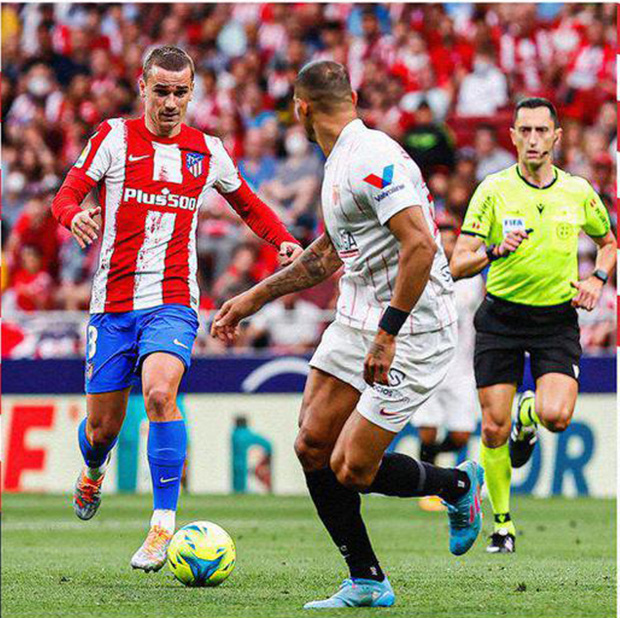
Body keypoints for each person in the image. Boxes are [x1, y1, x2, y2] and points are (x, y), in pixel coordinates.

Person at [212, 60, 484, 609]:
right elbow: (325, 258)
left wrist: (388, 333)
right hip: (358, 316)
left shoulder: (373, 159)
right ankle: (367, 579)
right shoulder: (340, 162)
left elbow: (422, 247)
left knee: (352, 467)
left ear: (301, 109)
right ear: (352, 97)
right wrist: (250, 299)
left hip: (413, 327)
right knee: (311, 444)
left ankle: (458, 486)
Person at [51, 46, 302, 572]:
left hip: (172, 299)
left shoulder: (206, 150)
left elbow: (248, 203)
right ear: (143, 87)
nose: (170, 102)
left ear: (192, 92)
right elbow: (66, 193)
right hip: (112, 306)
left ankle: (163, 525)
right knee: (101, 431)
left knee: (161, 393)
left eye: (180, 92)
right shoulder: (113, 138)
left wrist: (282, 240)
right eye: (160, 91)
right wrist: (74, 215)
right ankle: (93, 468)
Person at [450, 97, 616, 554]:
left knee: (556, 416)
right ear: (513, 137)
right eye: (525, 130)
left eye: (543, 131)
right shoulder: (492, 190)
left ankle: (530, 416)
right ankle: (502, 525)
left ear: (557, 137)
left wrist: (597, 279)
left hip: (555, 319)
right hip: (501, 316)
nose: (534, 140)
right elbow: (458, 263)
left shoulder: (578, 192)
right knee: (491, 429)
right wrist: (495, 250)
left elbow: (609, 243)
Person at [414, 217, 482, 512]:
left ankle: (434, 473)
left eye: (449, 239)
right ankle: (427, 490)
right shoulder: (418, 273)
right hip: (427, 365)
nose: (444, 244)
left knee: (460, 435)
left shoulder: (471, 280)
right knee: (427, 430)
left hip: (461, 368)